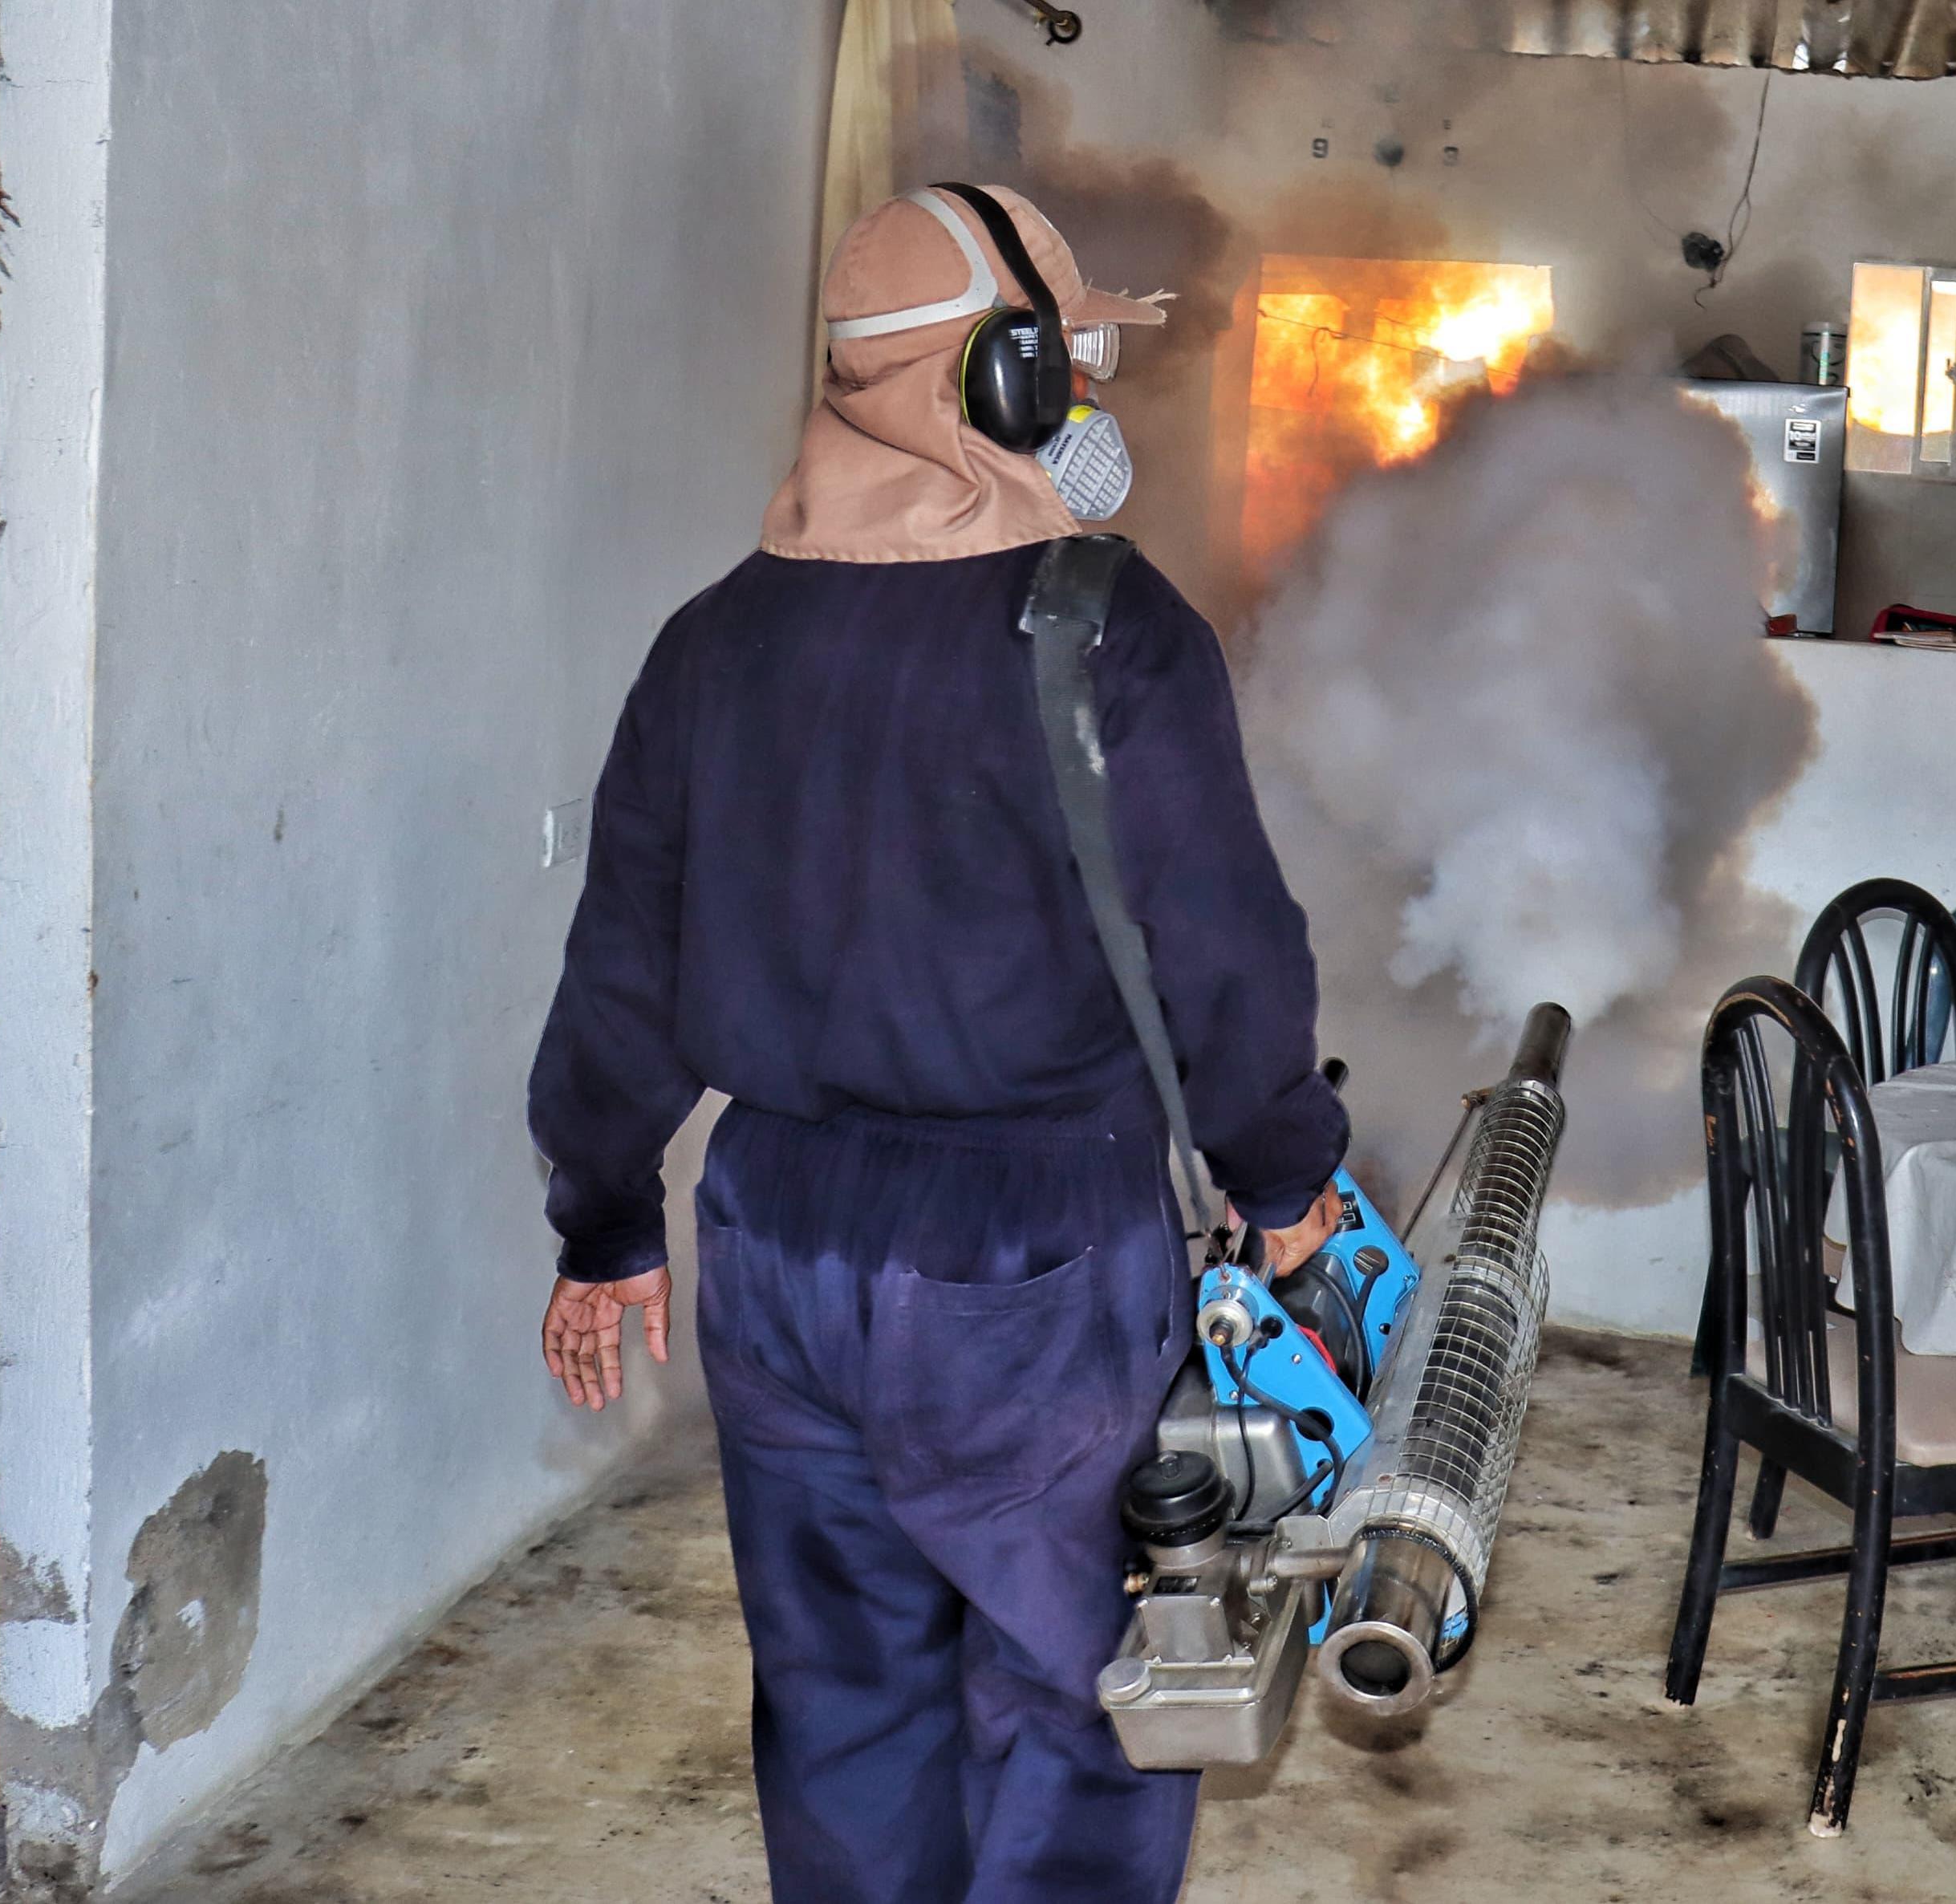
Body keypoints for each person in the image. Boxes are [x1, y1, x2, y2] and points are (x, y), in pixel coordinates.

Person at [526, 183, 1349, 1904]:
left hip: (768, 1234)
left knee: (839, 1700)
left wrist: (606, 1218)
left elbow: (621, 966)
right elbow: (1228, 960)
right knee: (1080, 1691)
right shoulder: (1112, 631)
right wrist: (1287, 1180)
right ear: (1010, 380)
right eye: (1073, 360)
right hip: (1027, 1258)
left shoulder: (712, 640)